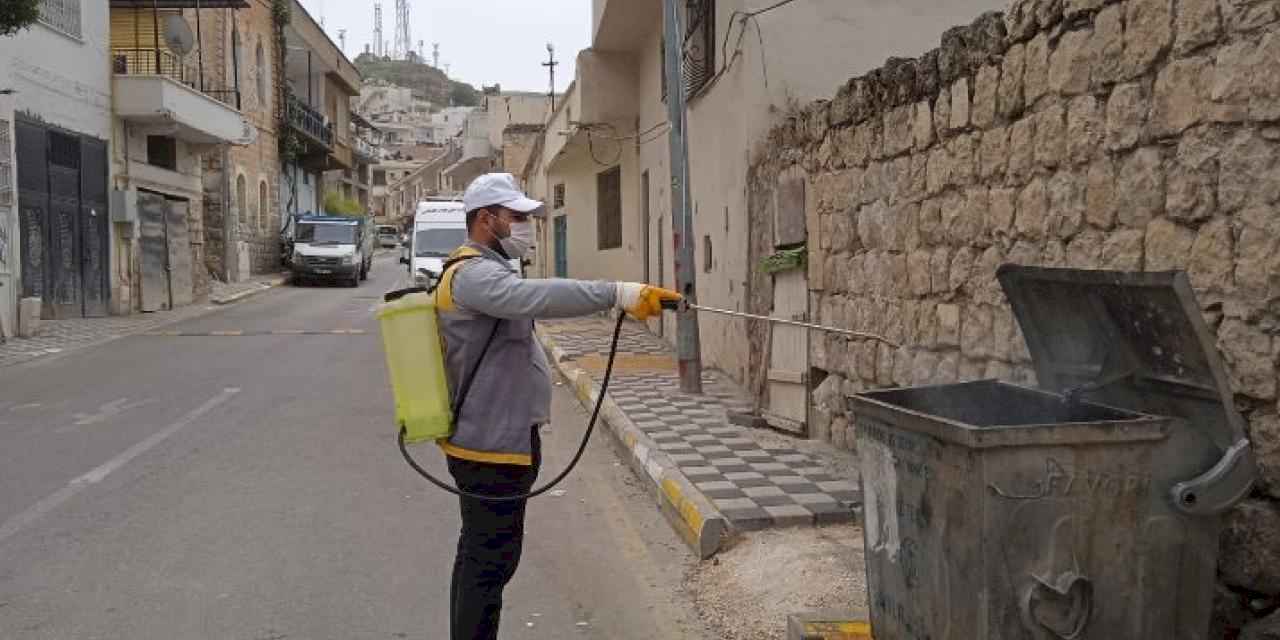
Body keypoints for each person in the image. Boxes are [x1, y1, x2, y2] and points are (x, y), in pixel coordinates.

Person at [436, 173, 680, 640]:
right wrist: (617, 293)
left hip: (498, 439)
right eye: (518, 217)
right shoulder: (472, 275)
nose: (527, 226)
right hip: (487, 446)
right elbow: (538, 297)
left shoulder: (488, 271)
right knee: (489, 563)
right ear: (486, 220)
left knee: (483, 558)